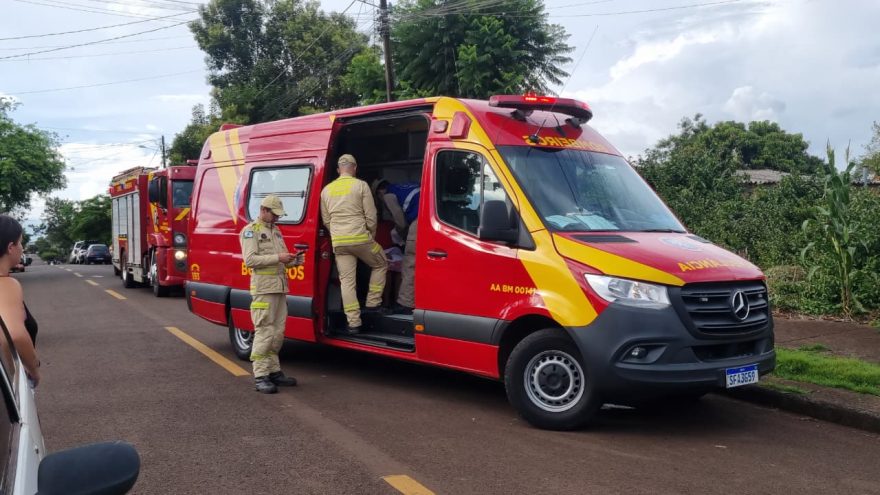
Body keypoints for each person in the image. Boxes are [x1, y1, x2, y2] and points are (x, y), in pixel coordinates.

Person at [240, 195, 304, 394]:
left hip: (279, 287)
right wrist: (279, 257)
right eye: (274, 214)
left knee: (277, 332)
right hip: (263, 289)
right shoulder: (251, 231)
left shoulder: (275, 231)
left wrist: (294, 260)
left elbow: (281, 260)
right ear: (264, 210)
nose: (277, 218)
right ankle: (261, 376)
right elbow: (250, 260)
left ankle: (274, 371)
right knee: (264, 332)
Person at [320, 154, 388, 334]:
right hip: (360, 238)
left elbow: (326, 220)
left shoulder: (326, 190)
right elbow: (371, 216)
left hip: (339, 242)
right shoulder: (361, 185)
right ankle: (373, 303)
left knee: (347, 281)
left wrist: (337, 233)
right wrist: (370, 236)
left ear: (338, 170)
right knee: (381, 263)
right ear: (355, 168)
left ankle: (353, 323)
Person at [0, 215, 41, 387]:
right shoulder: (6, 285)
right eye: (20, 242)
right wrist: (33, 368)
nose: (22, 248)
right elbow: (14, 334)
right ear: (11, 247)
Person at [372, 179, 420, 315]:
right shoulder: (407, 186)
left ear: (380, 192)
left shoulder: (388, 195)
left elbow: (400, 220)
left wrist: (404, 235)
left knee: (409, 263)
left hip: (418, 221)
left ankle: (406, 303)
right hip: (429, 217)